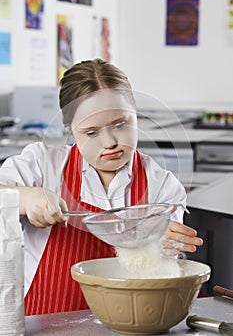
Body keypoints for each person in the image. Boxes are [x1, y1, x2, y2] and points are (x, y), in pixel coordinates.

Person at [0, 58, 203, 315]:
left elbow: (162, 272)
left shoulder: (161, 185)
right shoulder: (43, 166)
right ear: (71, 130)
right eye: (91, 132)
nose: (109, 142)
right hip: (44, 322)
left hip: (129, 322)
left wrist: (162, 247)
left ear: (136, 115)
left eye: (120, 124)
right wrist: (24, 197)